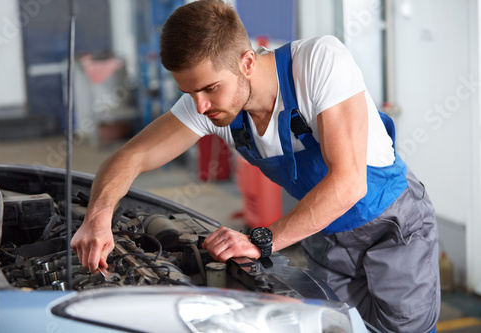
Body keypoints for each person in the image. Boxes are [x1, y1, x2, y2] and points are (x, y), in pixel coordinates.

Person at [71, 0, 440, 331]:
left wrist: (261, 240)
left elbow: (348, 183)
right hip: (325, 235)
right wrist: (97, 217)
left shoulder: (317, 63)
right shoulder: (211, 104)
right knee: (332, 325)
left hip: (392, 231)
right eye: (189, 93)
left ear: (247, 62)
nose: (199, 106)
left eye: (209, 89)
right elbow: (129, 157)